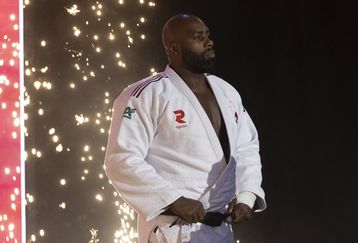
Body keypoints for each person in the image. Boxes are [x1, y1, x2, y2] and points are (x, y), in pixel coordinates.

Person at [104, 14, 266, 243]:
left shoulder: (226, 91)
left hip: (219, 228)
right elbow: (121, 159)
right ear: (173, 47)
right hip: (173, 230)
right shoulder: (146, 94)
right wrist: (173, 199)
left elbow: (247, 146)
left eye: (208, 36)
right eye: (198, 37)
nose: (208, 42)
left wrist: (247, 196)